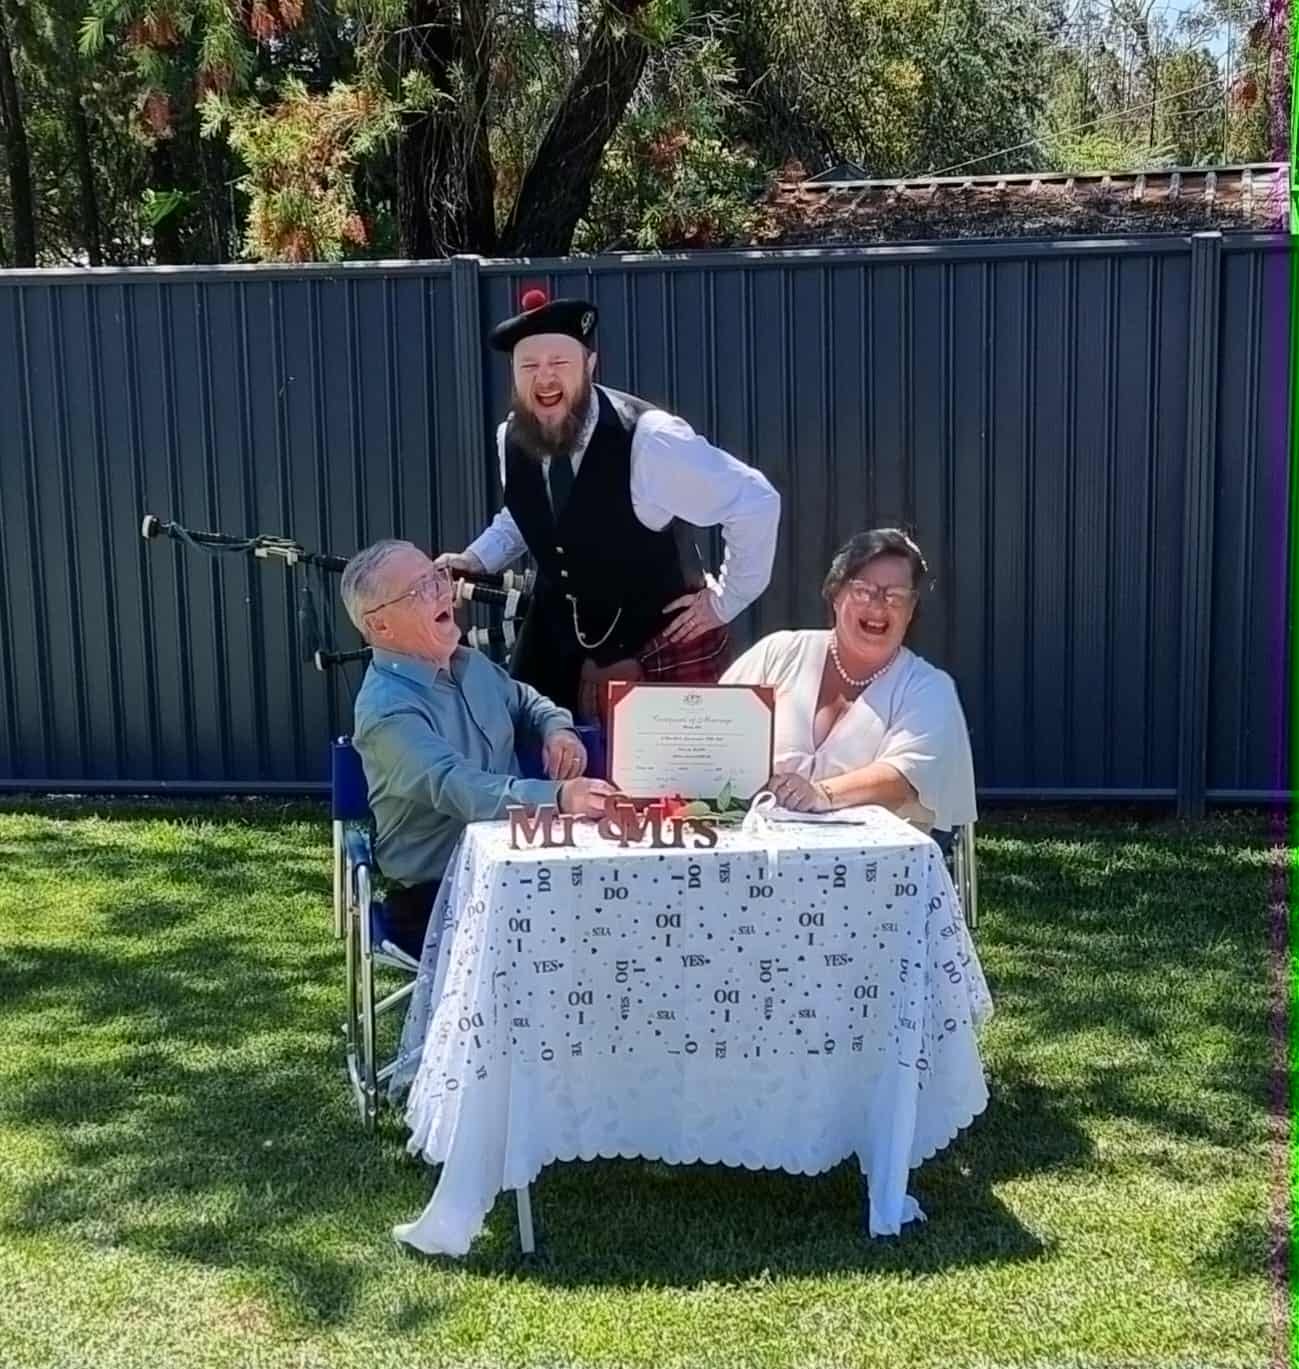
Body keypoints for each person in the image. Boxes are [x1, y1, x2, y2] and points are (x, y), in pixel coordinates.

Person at [436, 287, 781, 723]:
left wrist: (726, 600)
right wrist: (475, 558)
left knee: (670, 786)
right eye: (529, 366)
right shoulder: (513, 437)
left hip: (655, 641)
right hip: (556, 636)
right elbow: (529, 515)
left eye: (559, 363)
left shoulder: (652, 440)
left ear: (590, 365)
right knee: (534, 765)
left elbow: (755, 501)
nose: (544, 379)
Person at [342, 539, 616, 956]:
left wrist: (557, 730)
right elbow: (460, 787)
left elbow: (526, 701)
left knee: (616, 910)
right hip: (443, 891)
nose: (444, 592)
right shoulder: (386, 711)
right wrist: (560, 796)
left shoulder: (467, 663)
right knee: (582, 938)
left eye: (437, 577)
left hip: (522, 864)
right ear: (380, 626)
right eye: (421, 590)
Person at [720, 529, 976, 834]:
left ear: (911, 610)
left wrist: (820, 794)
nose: (879, 606)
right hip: (758, 847)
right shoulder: (779, 653)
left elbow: (905, 777)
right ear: (836, 594)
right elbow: (716, 722)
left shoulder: (929, 687)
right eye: (863, 590)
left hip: (875, 862)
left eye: (895, 596)